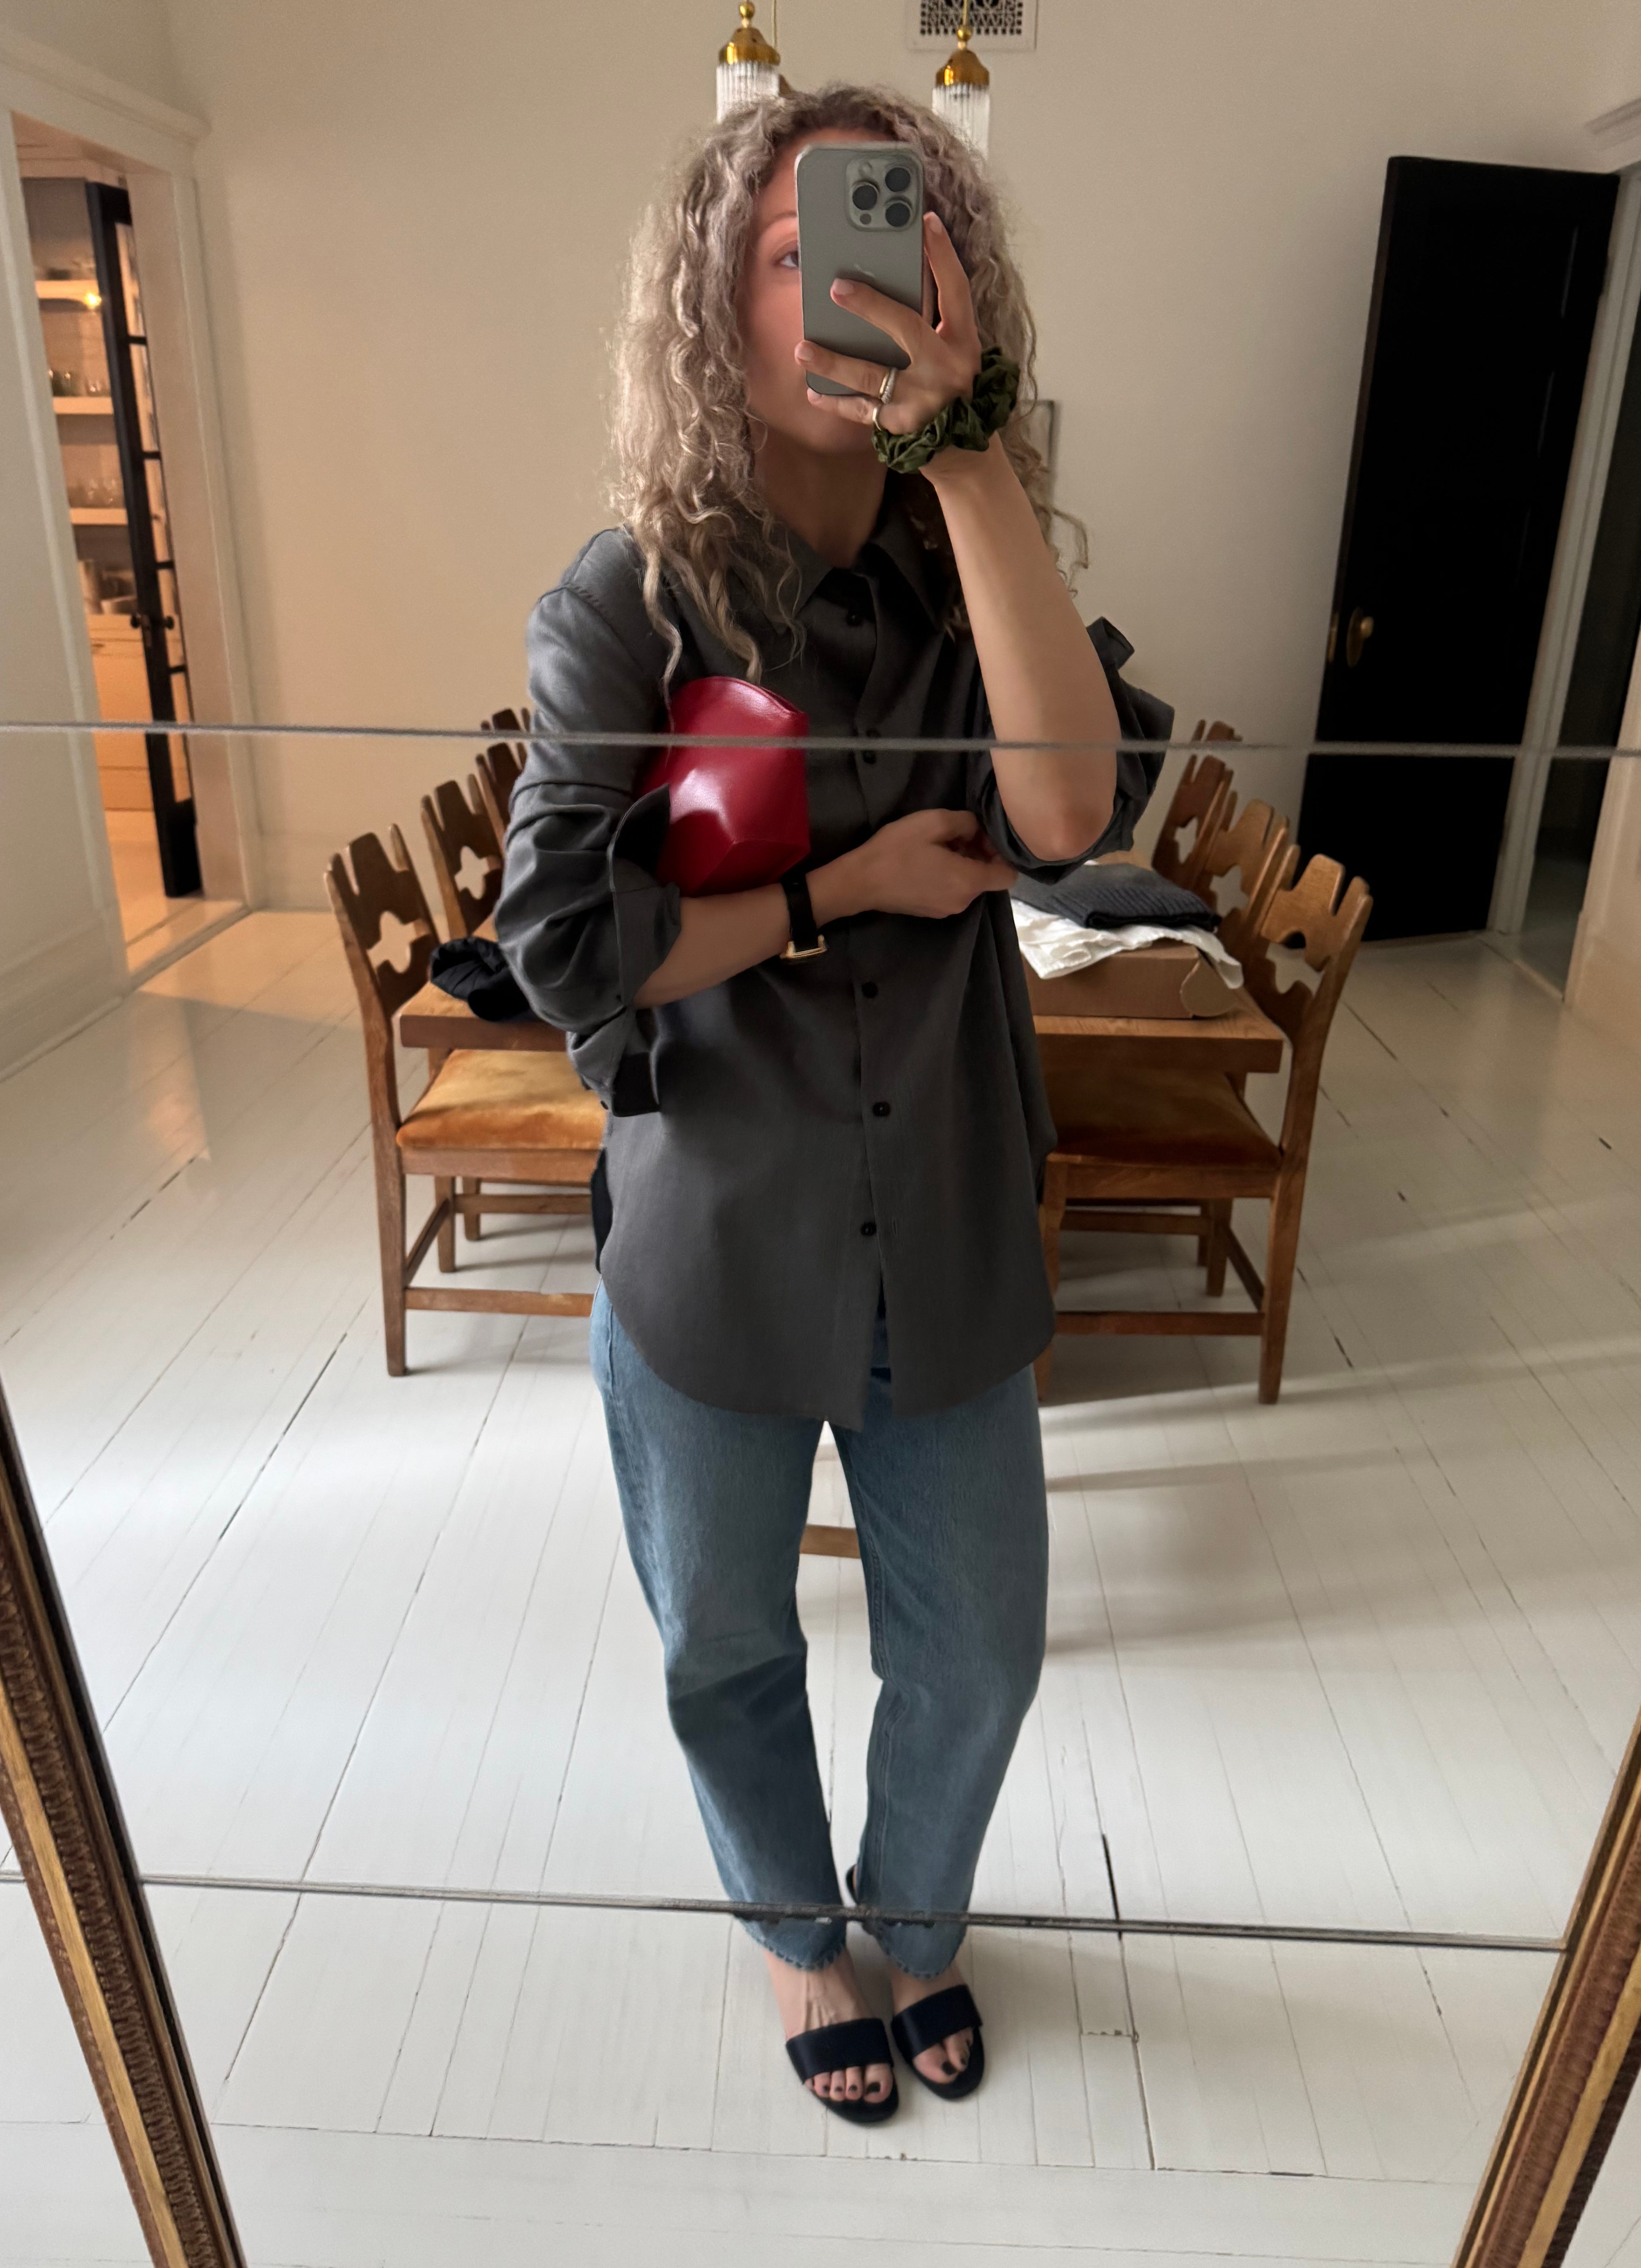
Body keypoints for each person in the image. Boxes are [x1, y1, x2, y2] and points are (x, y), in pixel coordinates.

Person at [495, 83, 1168, 2124]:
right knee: (726, 1643)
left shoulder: (983, 587)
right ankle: (805, 1938)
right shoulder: (629, 605)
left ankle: (920, 1915)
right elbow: (565, 943)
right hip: (714, 1230)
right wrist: (835, 891)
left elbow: (1071, 814)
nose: (841, 292)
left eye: (890, 245)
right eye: (794, 253)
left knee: (979, 1651)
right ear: (719, 300)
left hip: (943, 1217)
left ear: (959, 292)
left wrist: (973, 466)